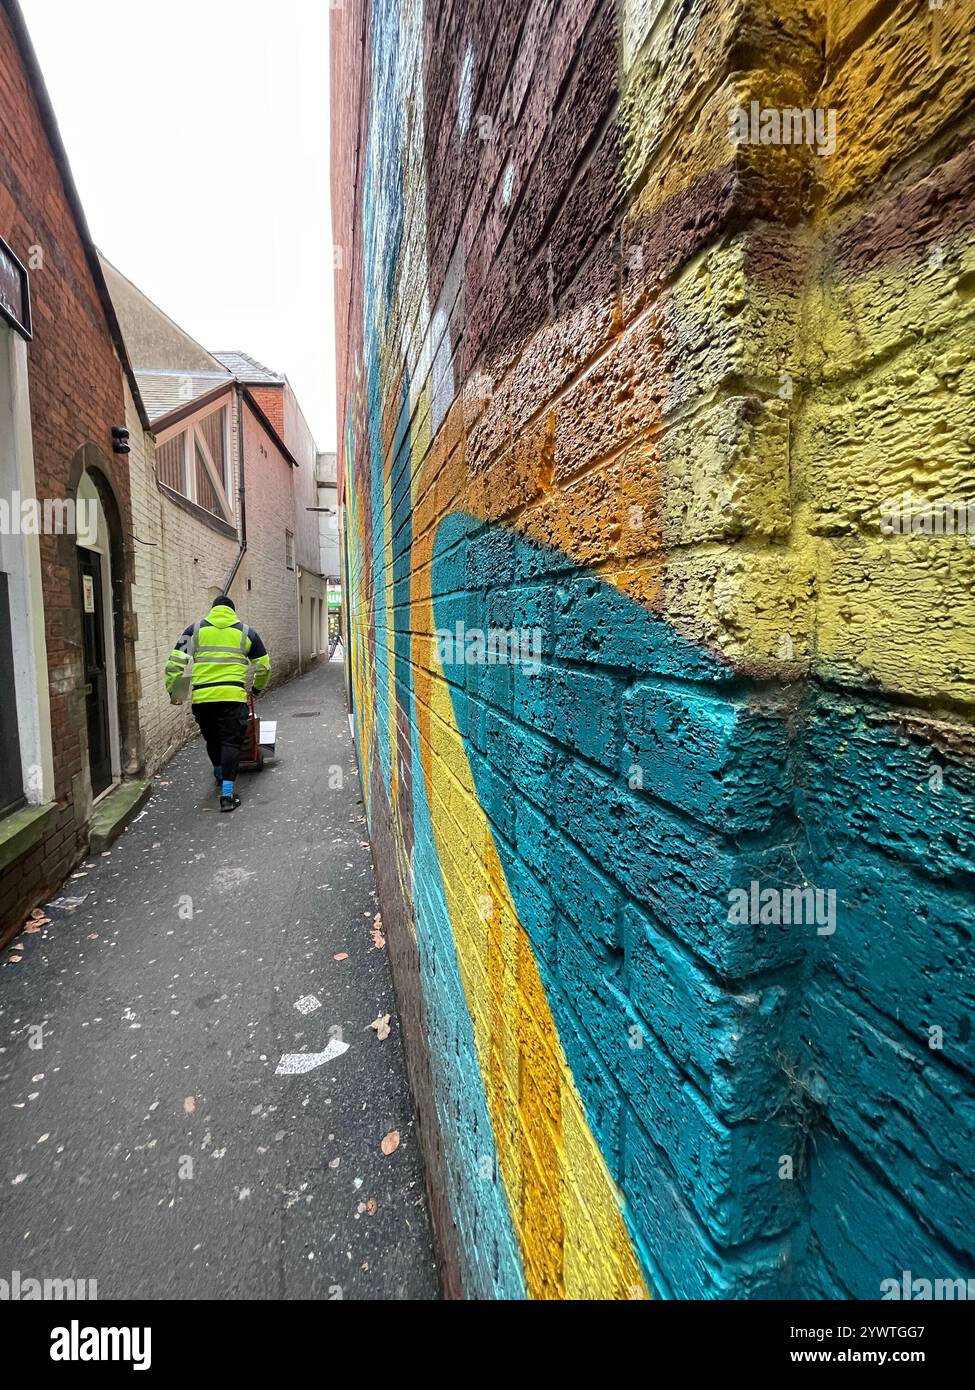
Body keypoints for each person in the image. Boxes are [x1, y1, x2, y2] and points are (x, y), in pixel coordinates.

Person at [164, 595, 271, 812]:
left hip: (203, 699)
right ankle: (227, 796)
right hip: (232, 697)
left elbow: (175, 662)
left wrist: (174, 690)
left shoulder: (193, 631)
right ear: (233, 611)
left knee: (213, 739)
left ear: (212, 610)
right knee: (231, 743)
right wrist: (257, 688)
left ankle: (220, 774)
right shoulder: (246, 633)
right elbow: (264, 667)